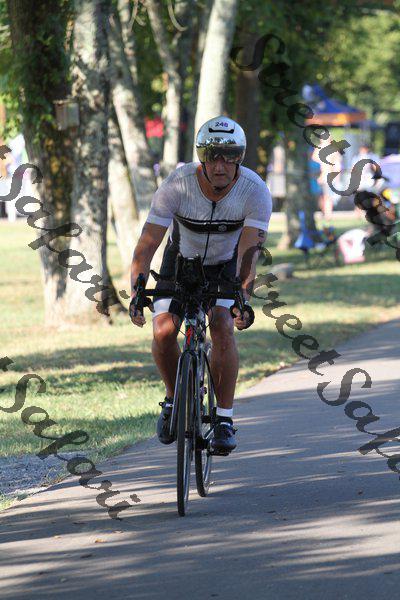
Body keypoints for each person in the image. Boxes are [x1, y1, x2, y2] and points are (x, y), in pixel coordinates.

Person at [129, 116, 272, 454]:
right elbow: (146, 246)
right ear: (201, 158)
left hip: (225, 266)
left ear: (239, 158)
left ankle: (224, 419)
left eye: (229, 157)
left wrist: (243, 298)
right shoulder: (177, 185)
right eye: (212, 156)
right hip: (180, 262)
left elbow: (249, 254)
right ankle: (172, 398)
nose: (220, 165)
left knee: (222, 325)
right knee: (164, 331)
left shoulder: (255, 191)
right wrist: (136, 292)